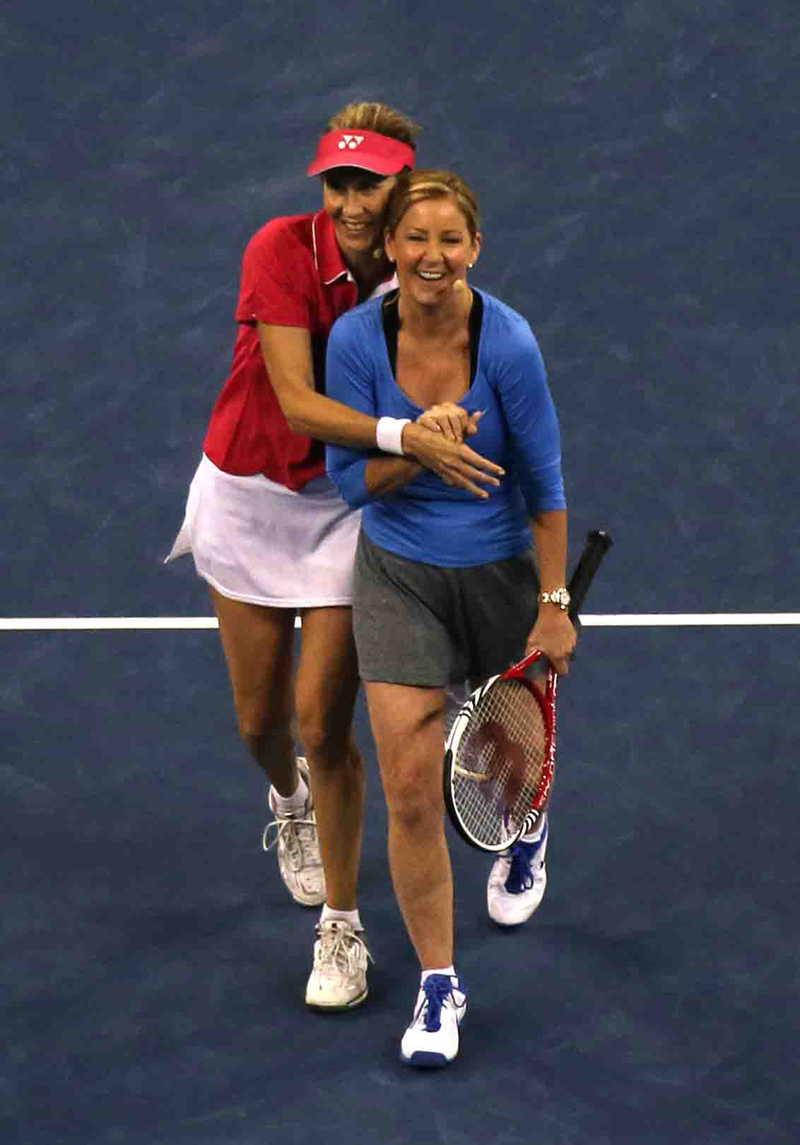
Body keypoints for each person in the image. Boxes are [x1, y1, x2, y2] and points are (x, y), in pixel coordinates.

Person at [167, 110, 503, 1014]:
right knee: (260, 724)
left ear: (402, 189)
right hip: (248, 495)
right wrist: (408, 435)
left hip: (346, 504)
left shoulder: (416, 270)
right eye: (338, 184)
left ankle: (342, 926)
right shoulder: (279, 249)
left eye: (370, 186)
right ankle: (290, 801)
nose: (352, 203)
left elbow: (460, 372)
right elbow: (296, 402)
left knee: (323, 722)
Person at [325, 170, 578, 1065]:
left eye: (450, 240)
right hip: (398, 577)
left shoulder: (508, 343)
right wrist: (420, 446)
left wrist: (553, 603)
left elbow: (544, 484)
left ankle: (526, 823)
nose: (432, 257)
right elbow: (350, 482)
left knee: (505, 760)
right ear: (391, 248)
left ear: (475, 248)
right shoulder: (356, 341)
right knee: (408, 787)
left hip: (501, 572)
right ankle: (440, 984)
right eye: (415, 238)